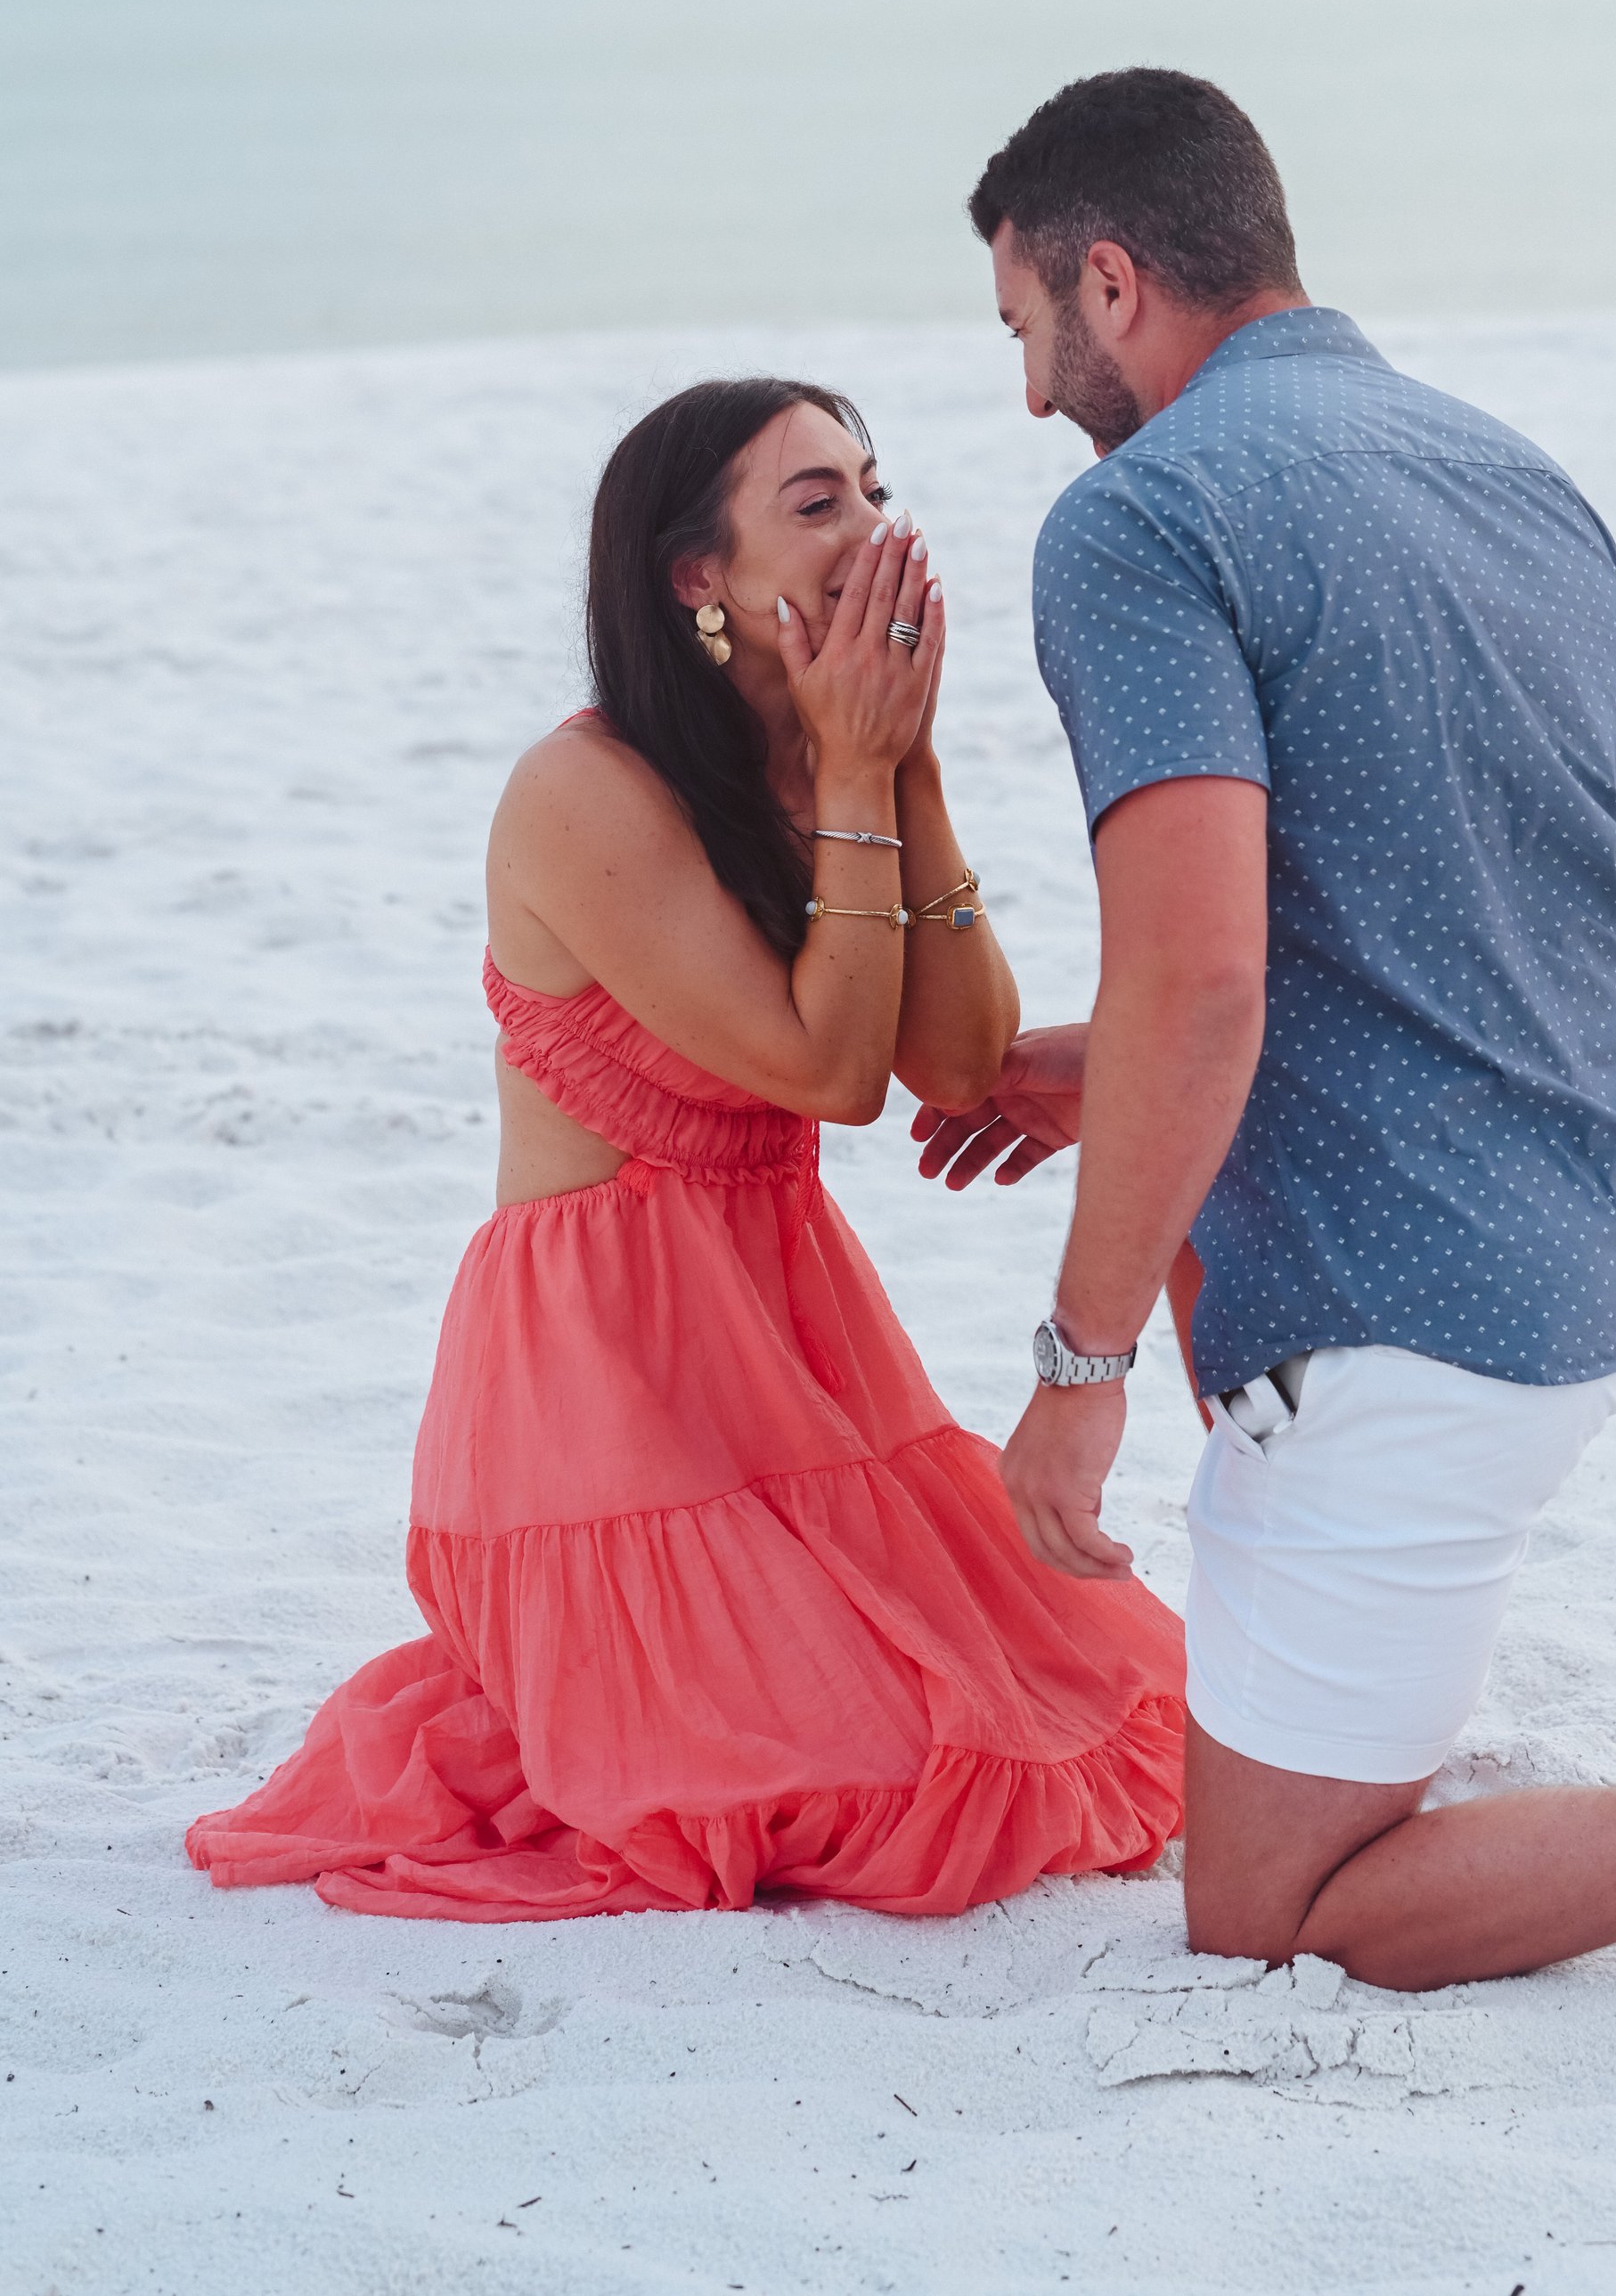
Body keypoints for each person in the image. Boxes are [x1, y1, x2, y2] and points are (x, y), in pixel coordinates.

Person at [915, 68, 1616, 2022]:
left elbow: (1211, 986)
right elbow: (1448, 901)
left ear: (1108, 283)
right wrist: (1106, 1069)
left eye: (1023, 330)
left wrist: (1076, 1364)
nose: (1029, 398)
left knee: (1269, 1907)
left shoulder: (1139, 523)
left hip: (1434, 1310)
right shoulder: (1502, 469)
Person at [188, 378, 1183, 1921]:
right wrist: (862, 770)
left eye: (872, 486)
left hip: (790, 1336)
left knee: (1072, 1705)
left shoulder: (821, 757)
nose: (872, 529)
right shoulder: (582, 790)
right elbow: (834, 1071)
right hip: (606, 1378)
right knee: (869, 1777)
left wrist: (906, 765)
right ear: (695, 579)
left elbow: (958, 1054)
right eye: (815, 503)